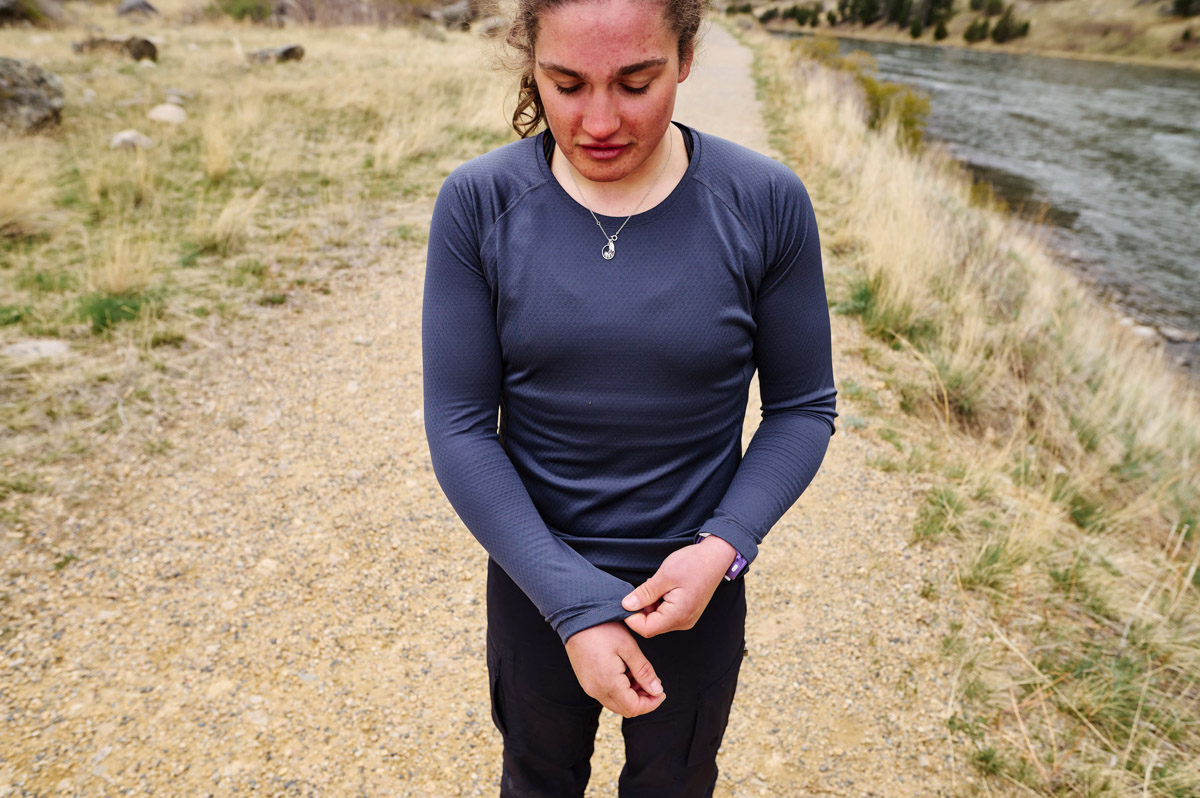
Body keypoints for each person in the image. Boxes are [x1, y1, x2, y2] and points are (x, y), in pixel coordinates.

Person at [422, 0, 837, 794]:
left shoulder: (766, 203)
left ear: (685, 57)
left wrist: (725, 547)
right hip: (534, 584)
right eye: (567, 84)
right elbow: (460, 426)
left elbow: (803, 408)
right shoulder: (478, 205)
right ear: (531, 66)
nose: (600, 121)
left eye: (636, 83)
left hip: (695, 593)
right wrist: (571, 603)